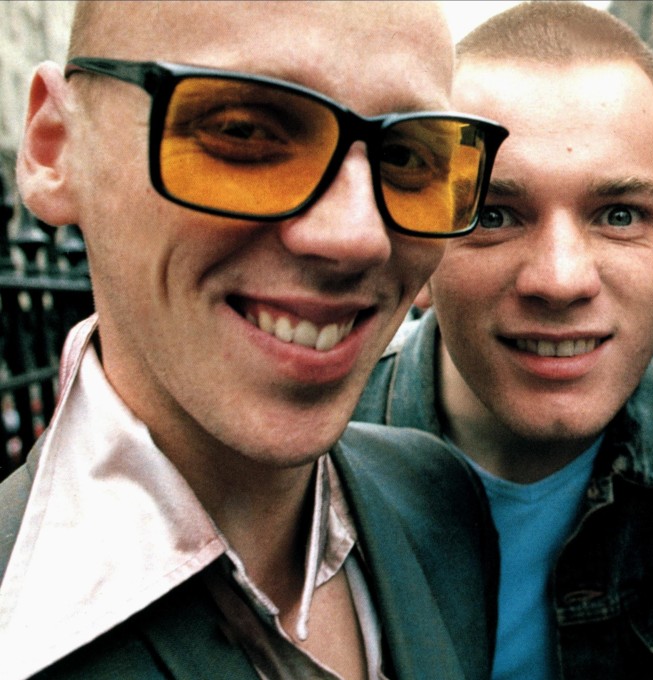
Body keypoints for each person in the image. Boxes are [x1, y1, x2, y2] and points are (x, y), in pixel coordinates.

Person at [0, 2, 508, 678]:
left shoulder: (437, 499)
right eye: (242, 132)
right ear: (55, 145)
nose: (356, 235)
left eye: (409, 156)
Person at [353, 3, 653, 678]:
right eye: (494, 215)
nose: (560, 280)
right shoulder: (311, 458)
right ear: (420, 249)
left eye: (618, 215)